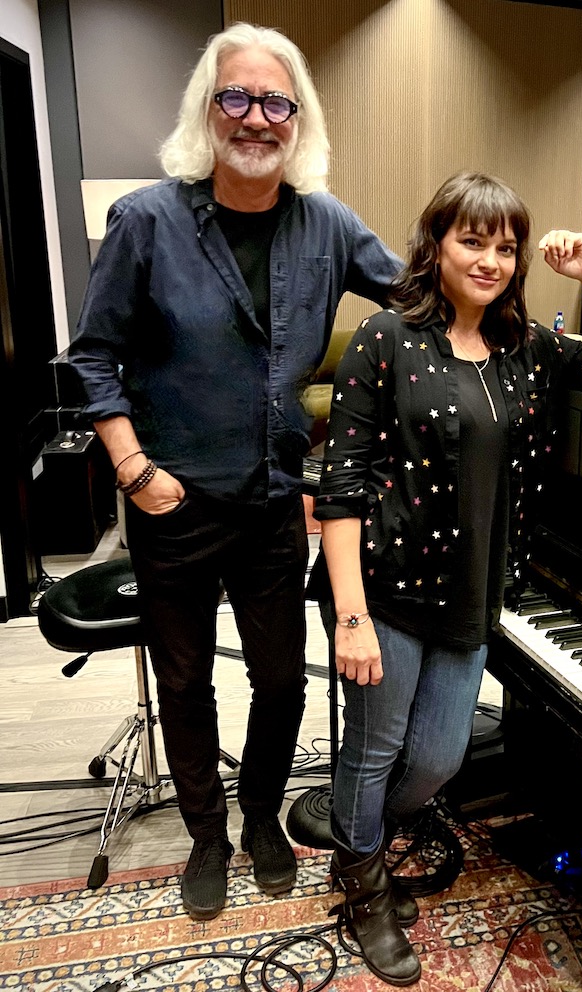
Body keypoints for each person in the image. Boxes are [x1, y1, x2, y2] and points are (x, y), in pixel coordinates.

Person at [68, 22, 402, 922]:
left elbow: (415, 298)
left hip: (271, 502)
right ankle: (207, 836)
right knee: (181, 682)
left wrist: (531, 277)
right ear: (208, 110)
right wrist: (135, 470)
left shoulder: (327, 222)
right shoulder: (145, 219)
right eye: (237, 98)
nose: (257, 118)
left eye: (275, 102)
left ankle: (260, 818)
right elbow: (93, 358)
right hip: (169, 499)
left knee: (283, 680)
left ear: (298, 120)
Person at [310, 171, 582, 986]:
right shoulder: (386, 337)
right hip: (392, 589)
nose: (491, 260)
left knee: (438, 759)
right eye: (472, 241)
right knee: (374, 751)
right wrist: (351, 617)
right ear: (435, 243)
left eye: (506, 247)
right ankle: (364, 886)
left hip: (476, 592)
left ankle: (354, 836)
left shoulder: (525, 350)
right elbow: (339, 486)